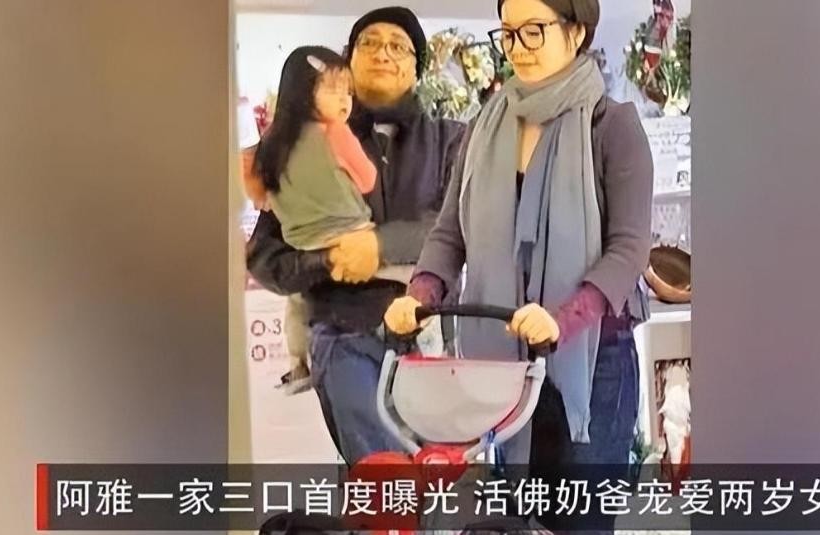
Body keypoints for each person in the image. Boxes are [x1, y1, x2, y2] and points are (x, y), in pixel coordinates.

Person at [384, 0, 653, 528]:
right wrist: (420, 294)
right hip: (504, 360)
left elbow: (629, 249)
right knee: (513, 513)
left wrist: (563, 318)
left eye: (535, 31)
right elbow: (450, 233)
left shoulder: (611, 126)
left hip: (593, 360)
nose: (518, 48)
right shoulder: (484, 129)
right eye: (508, 33)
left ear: (576, 32)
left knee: (581, 519)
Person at [246, 6, 465, 465]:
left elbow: (464, 225)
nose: (383, 53)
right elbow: (264, 255)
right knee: (383, 475)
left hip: (432, 334)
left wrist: (379, 247)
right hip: (342, 331)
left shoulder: (453, 141)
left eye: (398, 46)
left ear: (417, 68)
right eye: (370, 43)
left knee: (434, 478)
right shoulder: (297, 144)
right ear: (347, 61)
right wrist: (328, 259)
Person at [246, 46, 380, 392]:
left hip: (301, 241)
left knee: (297, 302)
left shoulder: (272, 143)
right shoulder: (335, 132)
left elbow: (261, 197)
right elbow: (367, 179)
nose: (345, 100)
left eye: (347, 91)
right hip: (350, 230)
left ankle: (298, 363)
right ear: (304, 92)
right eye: (333, 89)